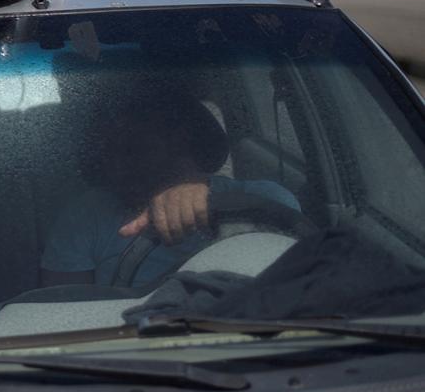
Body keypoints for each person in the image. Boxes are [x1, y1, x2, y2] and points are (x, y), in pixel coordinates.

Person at [40, 94, 300, 290]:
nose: (117, 167)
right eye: (109, 153)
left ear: (183, 146)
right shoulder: (85, 215)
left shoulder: (265, 201)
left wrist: (205, 203)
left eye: (135, 150)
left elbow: (290, 292)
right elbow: (63, 311)